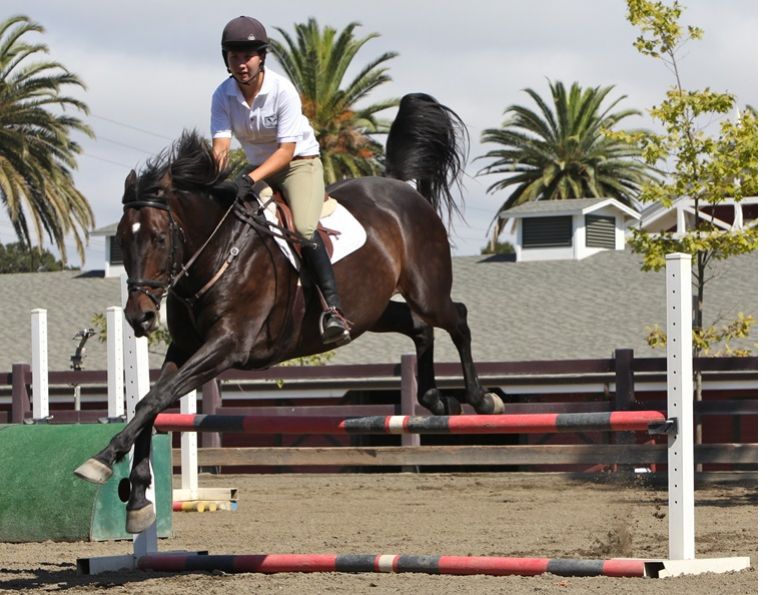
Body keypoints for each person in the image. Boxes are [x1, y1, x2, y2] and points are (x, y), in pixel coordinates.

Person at [211, 15, 350, 345]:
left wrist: (251, 177)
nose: (241, 64)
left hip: (298, 165)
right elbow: (220, 145)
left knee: (302, 228)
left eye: (248, 56)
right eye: (234, 56)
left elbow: (286, 152)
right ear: (226, 59)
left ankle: (333, 309)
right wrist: (216, 176)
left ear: (262, 57)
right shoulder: (222, 95)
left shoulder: (282, 90)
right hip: (258, 170)